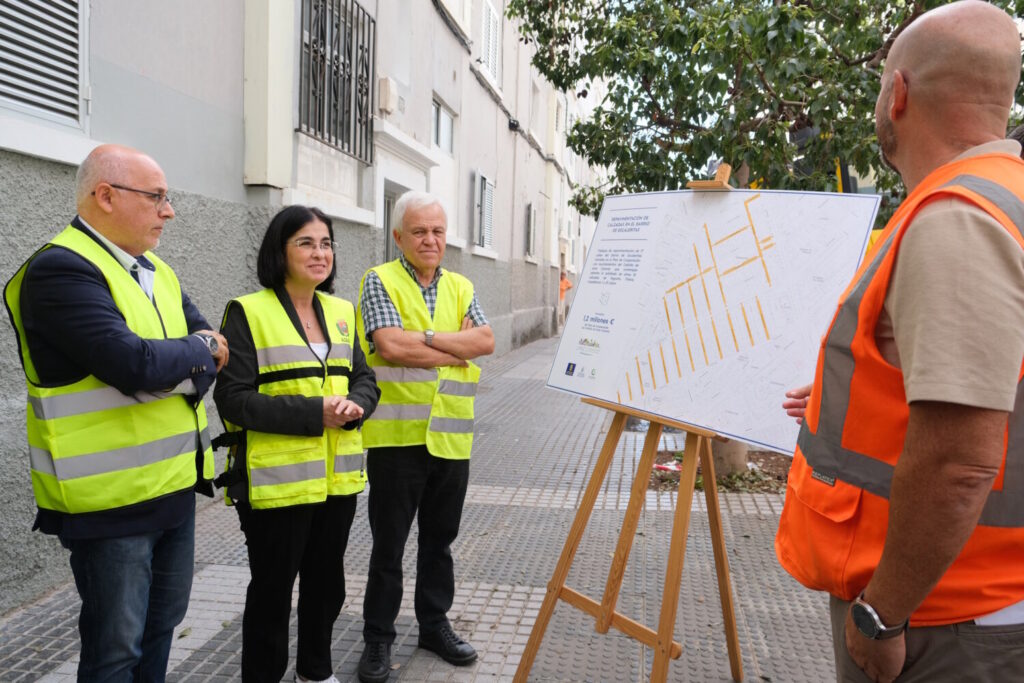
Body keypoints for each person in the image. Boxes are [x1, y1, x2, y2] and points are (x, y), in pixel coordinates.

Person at [774, 2, 1024, 682]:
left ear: (900, 93)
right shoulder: (1004, 201)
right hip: (971, 604)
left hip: (940, 622)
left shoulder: (956, 219)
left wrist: (880, 614)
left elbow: (960, 462)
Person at [3, 144, 226, 681]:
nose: (168, 211)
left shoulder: (155, 271)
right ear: (105, 196)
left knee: (161, 628)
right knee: (115, 651)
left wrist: (183, 360)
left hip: (172, 488)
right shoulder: (59, 270)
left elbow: (214, 349)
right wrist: (190, 356)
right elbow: (135, 364)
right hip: (110, 505)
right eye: (156, 198)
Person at [213, 205, 380, 683]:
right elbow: (233, 400)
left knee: (327, 589)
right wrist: (315, 414)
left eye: (326, 243)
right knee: (272, 595)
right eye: (305, 243)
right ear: (279, 252)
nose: (319, 252)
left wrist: (356, 406)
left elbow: (365, 379)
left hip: (336, 481)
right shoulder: (249, 311)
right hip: (276, 485)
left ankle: (316, 673)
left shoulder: (342, 311)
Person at [355, 191, 494, 682]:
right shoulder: (379, 281)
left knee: (440, 543)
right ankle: (377, 640)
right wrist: (453, 347)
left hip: (451, 442)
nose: (430, 239)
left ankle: (434, 625)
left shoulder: (461, 284)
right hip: (397, 441)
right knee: (388, 547)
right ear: (398, 237)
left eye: (437, 230)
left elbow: (486, 341)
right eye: (419, 231)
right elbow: (390, 346)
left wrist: (427, 340)